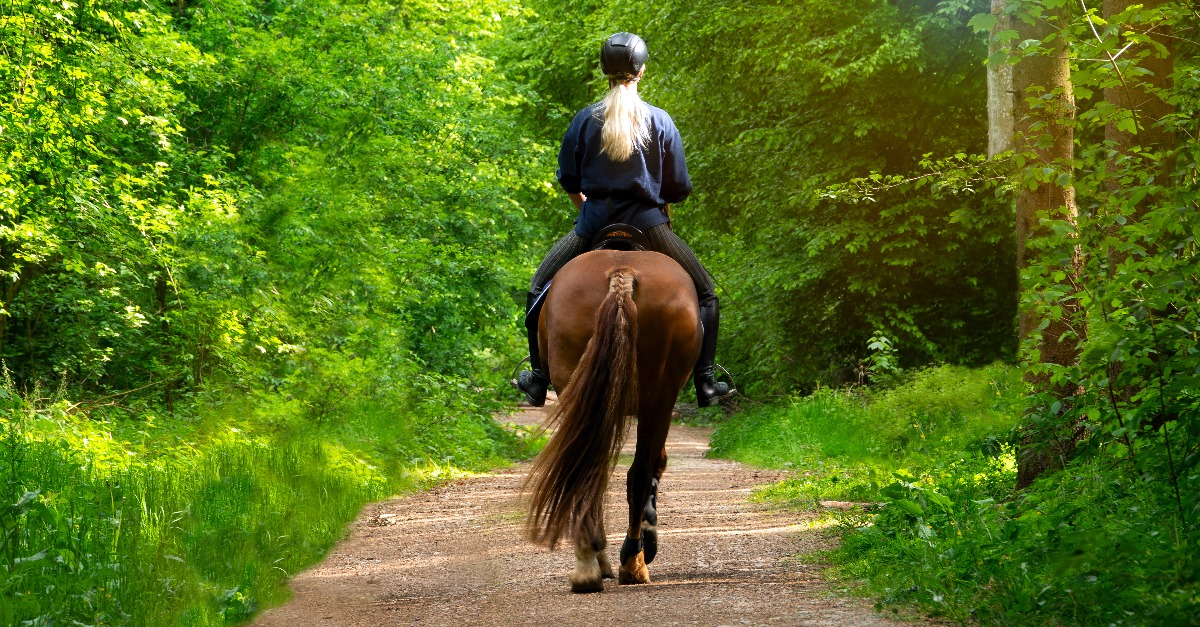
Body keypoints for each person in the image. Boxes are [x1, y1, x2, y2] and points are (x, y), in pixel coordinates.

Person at [516, 32, 734, 408]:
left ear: (605, 73)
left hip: (593, 222)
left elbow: (568, 179)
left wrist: (587, 207)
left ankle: (537, 379)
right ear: (641, 71)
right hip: (649, 224)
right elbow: (679, 187)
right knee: (706, 294)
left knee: (538, 289)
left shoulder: (584, 120)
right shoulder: (660, 121)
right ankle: (706, 381)